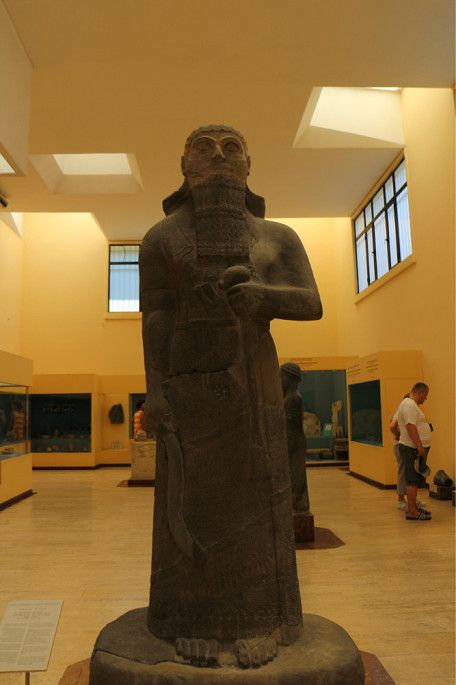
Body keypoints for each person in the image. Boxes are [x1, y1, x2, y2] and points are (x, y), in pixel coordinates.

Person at [140, 125, 322, 668]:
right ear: (185, 165)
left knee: (257, 496)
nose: (218, 156)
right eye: (204, 148)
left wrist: (264, 297)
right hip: (187, 381)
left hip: (253, 378)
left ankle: (258, 619)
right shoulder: (161, 238)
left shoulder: (277, 236)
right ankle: (190, 621)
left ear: (248, 166)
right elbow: (156, 316)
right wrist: (154, 392)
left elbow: (311, 301)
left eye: (231, 148)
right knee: (191, 502)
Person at [397, 383, 432, 520]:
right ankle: (412, 511)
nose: (426, 398)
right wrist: (419, 447)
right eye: (425, 395)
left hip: (414, 448)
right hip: (411, 448)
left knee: (415, 480)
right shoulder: (409, 404)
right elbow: (410, 426)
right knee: (412, 480)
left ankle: (414, 507)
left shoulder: (411, 405)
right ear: (420, 392)